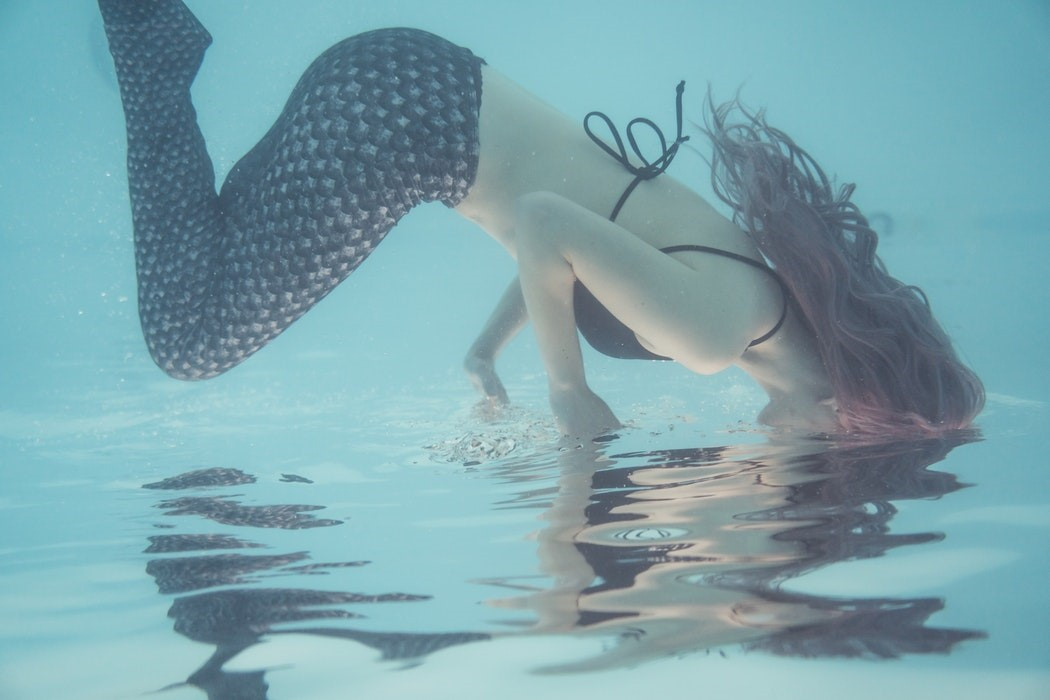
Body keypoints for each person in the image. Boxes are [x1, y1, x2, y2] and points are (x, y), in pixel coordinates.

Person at [98, 0, 984, 439]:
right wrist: (568, 392)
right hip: (400, 128)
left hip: (405, 90)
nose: (809, 465)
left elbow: (570, 250)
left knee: (210, 269)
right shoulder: (719, 332)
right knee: (192, 340)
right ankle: (151, 45)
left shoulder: (755, 297)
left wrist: (488, 349)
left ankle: (157, 52)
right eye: (847, 453)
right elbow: (545, 218)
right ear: (849, 412)